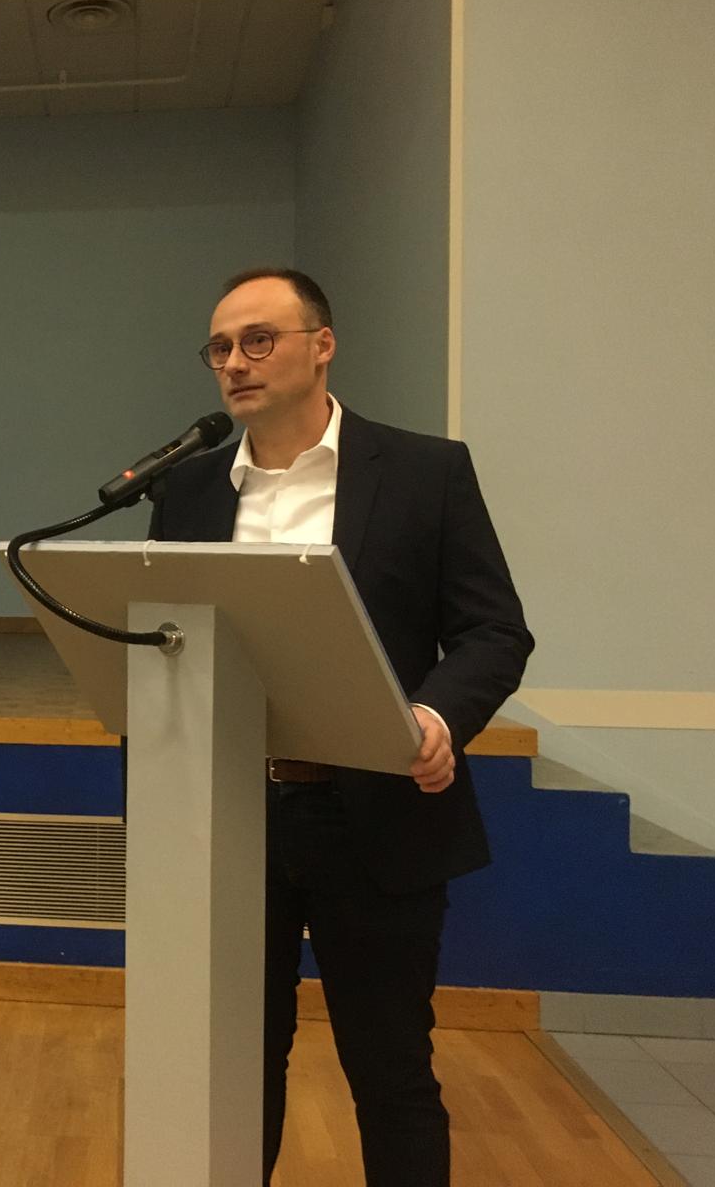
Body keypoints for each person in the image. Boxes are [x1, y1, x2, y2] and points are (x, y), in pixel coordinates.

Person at [147, 268, 533, 1185]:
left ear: (322, 345)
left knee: (390, 1071)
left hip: (378, 815)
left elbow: (493, 632)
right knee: (234, 1070)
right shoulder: (188, 491)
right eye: (219, 348)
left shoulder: (425, 473)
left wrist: (434, 715)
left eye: (258, 340)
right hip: (231, 815)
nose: (235, 363)